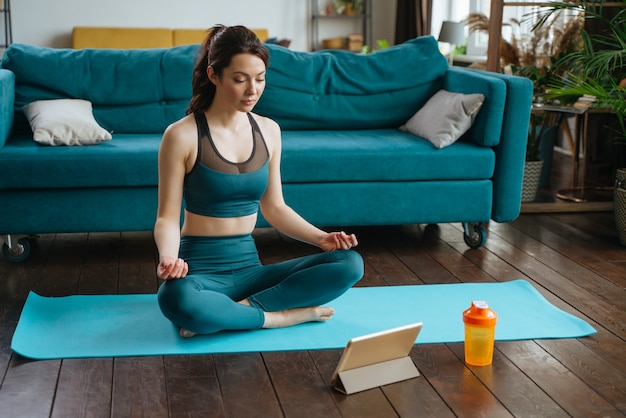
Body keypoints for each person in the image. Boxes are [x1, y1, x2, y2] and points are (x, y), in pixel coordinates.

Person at [155, 25, 364, 337]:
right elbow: (167, 217)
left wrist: (322, 239)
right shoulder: (181, 135)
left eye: (260, 78)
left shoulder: (269, 130)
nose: (252, 90)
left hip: (252, 271)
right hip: (201, 273)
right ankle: (280, 316)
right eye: (240, 80)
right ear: (214, 75)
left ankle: (228, 315)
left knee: (350, 264)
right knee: (175, 298)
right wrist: (169, 259)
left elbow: (275, 207)